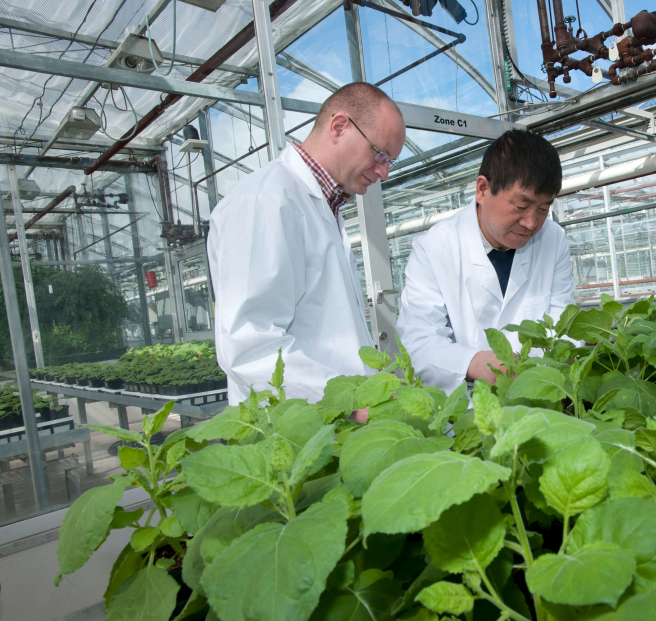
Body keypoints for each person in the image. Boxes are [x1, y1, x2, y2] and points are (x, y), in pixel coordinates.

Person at [208, 82, 405, 412]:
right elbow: (250, 346)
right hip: (295, 430)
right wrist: (349, 404)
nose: (384, 172)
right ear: (339, 126)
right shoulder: (265, 201)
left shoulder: (323, 206)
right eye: (380, 154)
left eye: (390, 161)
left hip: (332, 424)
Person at [397, 130, 576, 394]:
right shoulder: (434, 247)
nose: (531, 223)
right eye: (520, 205)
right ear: (483, 189)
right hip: (465, 407)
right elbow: (419, 341)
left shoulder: (553, 239)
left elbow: (565, 321)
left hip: (541, 398)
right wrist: (474, 363)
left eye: (543, 209)